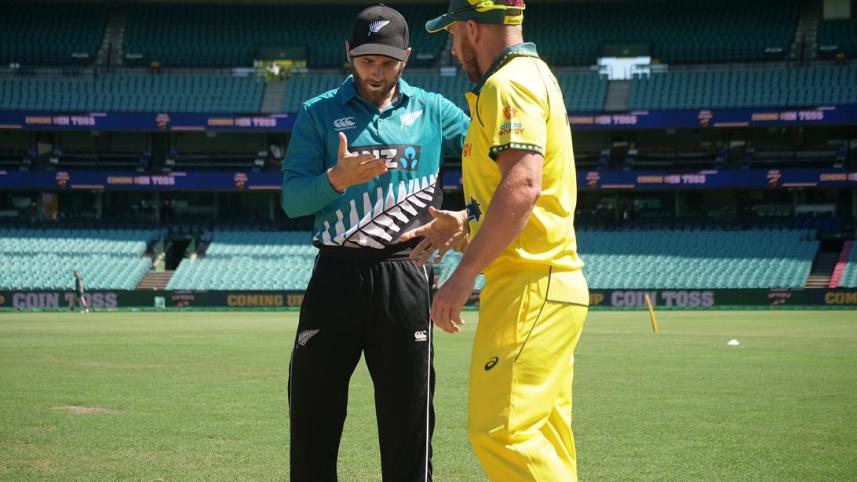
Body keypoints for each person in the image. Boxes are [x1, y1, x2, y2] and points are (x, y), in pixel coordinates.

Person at [280, 4, 471, 481]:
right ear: (349, 54)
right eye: (367, 61)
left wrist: (467, 217)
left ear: (405, 58)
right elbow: (291, 200)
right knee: (313, 417)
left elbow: (498, 161)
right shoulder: (319, 113)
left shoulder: (434, 111)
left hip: (406, 272)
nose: (376, 72)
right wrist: (335, 180)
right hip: (336, 276)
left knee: (409, 422)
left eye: (387, 62)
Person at [407, 1, 590, 479]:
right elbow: (520, 189)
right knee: (542, 434)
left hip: (530, 285)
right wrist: (462, 221)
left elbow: (525, 185)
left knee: (502, 431)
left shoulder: (507, 84)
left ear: (472, 28)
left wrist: (463, 275)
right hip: (545, 283)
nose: (451, 46)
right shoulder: (534, 75)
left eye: (452, 35)